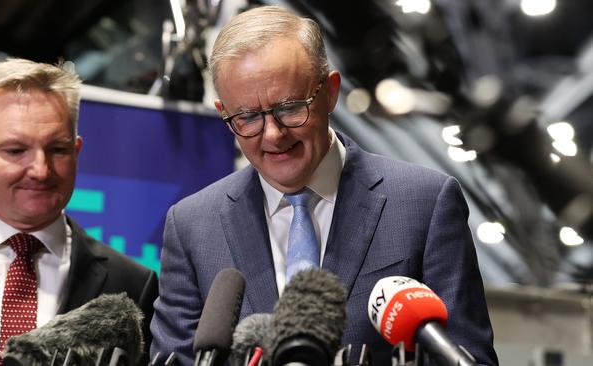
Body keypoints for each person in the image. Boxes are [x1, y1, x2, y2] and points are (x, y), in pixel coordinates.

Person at [150, 5, 498, 365]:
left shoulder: (424, 204)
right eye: (248, 117)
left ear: (330, 91)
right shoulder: (192, 226)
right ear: (225, 113)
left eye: (289, 108)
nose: (273, 134)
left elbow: (467, 357)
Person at [0, 58, 158, 366]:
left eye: (57, 149)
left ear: (77, 152)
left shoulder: (133, 284)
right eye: (16, 151)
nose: (41, 171)